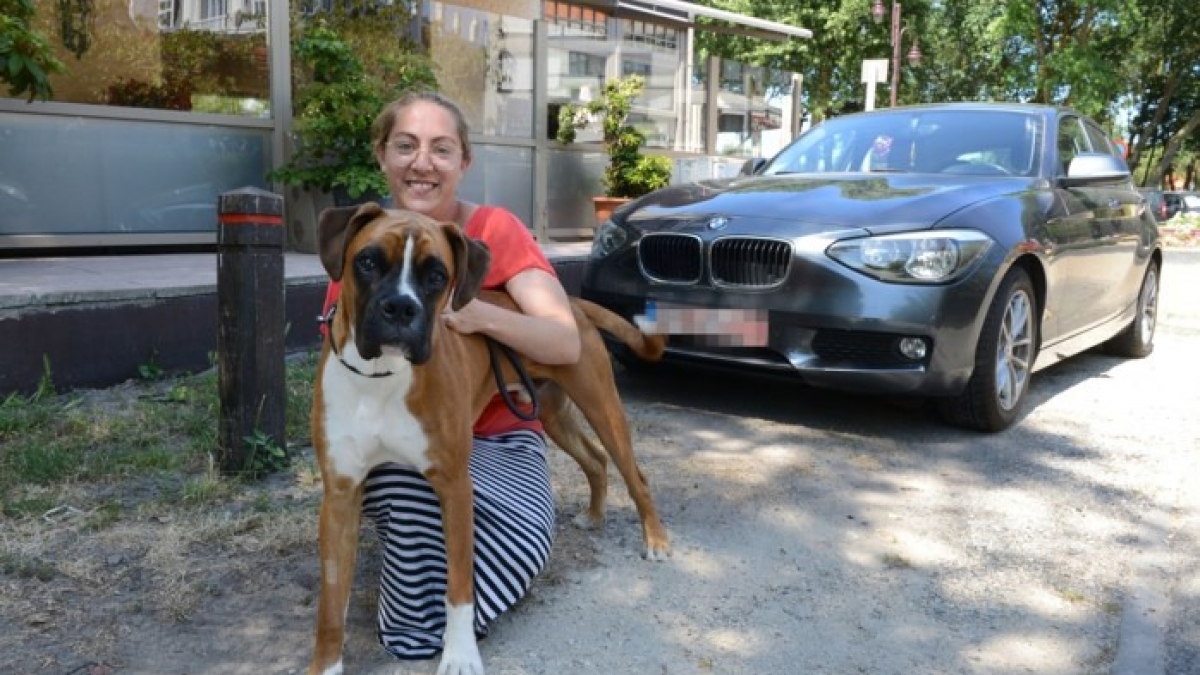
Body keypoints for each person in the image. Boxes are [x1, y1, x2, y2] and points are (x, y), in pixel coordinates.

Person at [319, 91, 581, 660]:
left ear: (464, 162)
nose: (422, 162)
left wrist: (472, 312)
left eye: (442, 149)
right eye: (406, 145)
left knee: (519, 541)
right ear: (382, 155)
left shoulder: (493, 231)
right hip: (398, 435)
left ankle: (462, 611)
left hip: (498, 435)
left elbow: (565, 340)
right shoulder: (359, 239)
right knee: (411, 631)